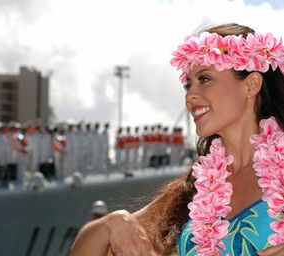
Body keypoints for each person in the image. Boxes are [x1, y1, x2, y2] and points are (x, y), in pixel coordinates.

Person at [71, 23, 284, 256]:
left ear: (251, 84)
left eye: (204, 79)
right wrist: (112, 223)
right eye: (188, 84)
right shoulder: (195, 188)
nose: (190, 95)